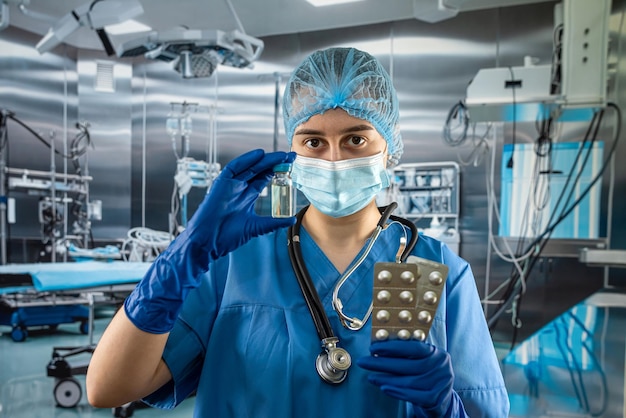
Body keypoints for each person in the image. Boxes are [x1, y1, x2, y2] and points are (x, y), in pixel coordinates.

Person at [86, 47, 510, 417]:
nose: (333, 159)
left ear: (389, 147)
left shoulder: (433, 271)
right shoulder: (233, 261)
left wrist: (446, 408)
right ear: (292, 148)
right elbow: (108, 388)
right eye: (313, 142)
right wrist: (182, 258)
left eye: (356, 140)